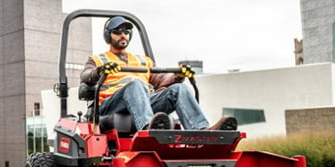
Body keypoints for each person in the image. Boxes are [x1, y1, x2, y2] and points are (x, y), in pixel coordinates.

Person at [80, 16, 237, 131]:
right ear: (108, 35)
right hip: (112, 105)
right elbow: (86, 75)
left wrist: (178, 76)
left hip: (142, 103)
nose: (123, 34)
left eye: (127, 31)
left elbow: (161, 80)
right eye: (118, 31)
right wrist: (99, 71)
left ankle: (201, 131)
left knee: (178, 89)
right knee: (135, 84)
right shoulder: (97, 59)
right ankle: (149, 129)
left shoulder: (143, 60)